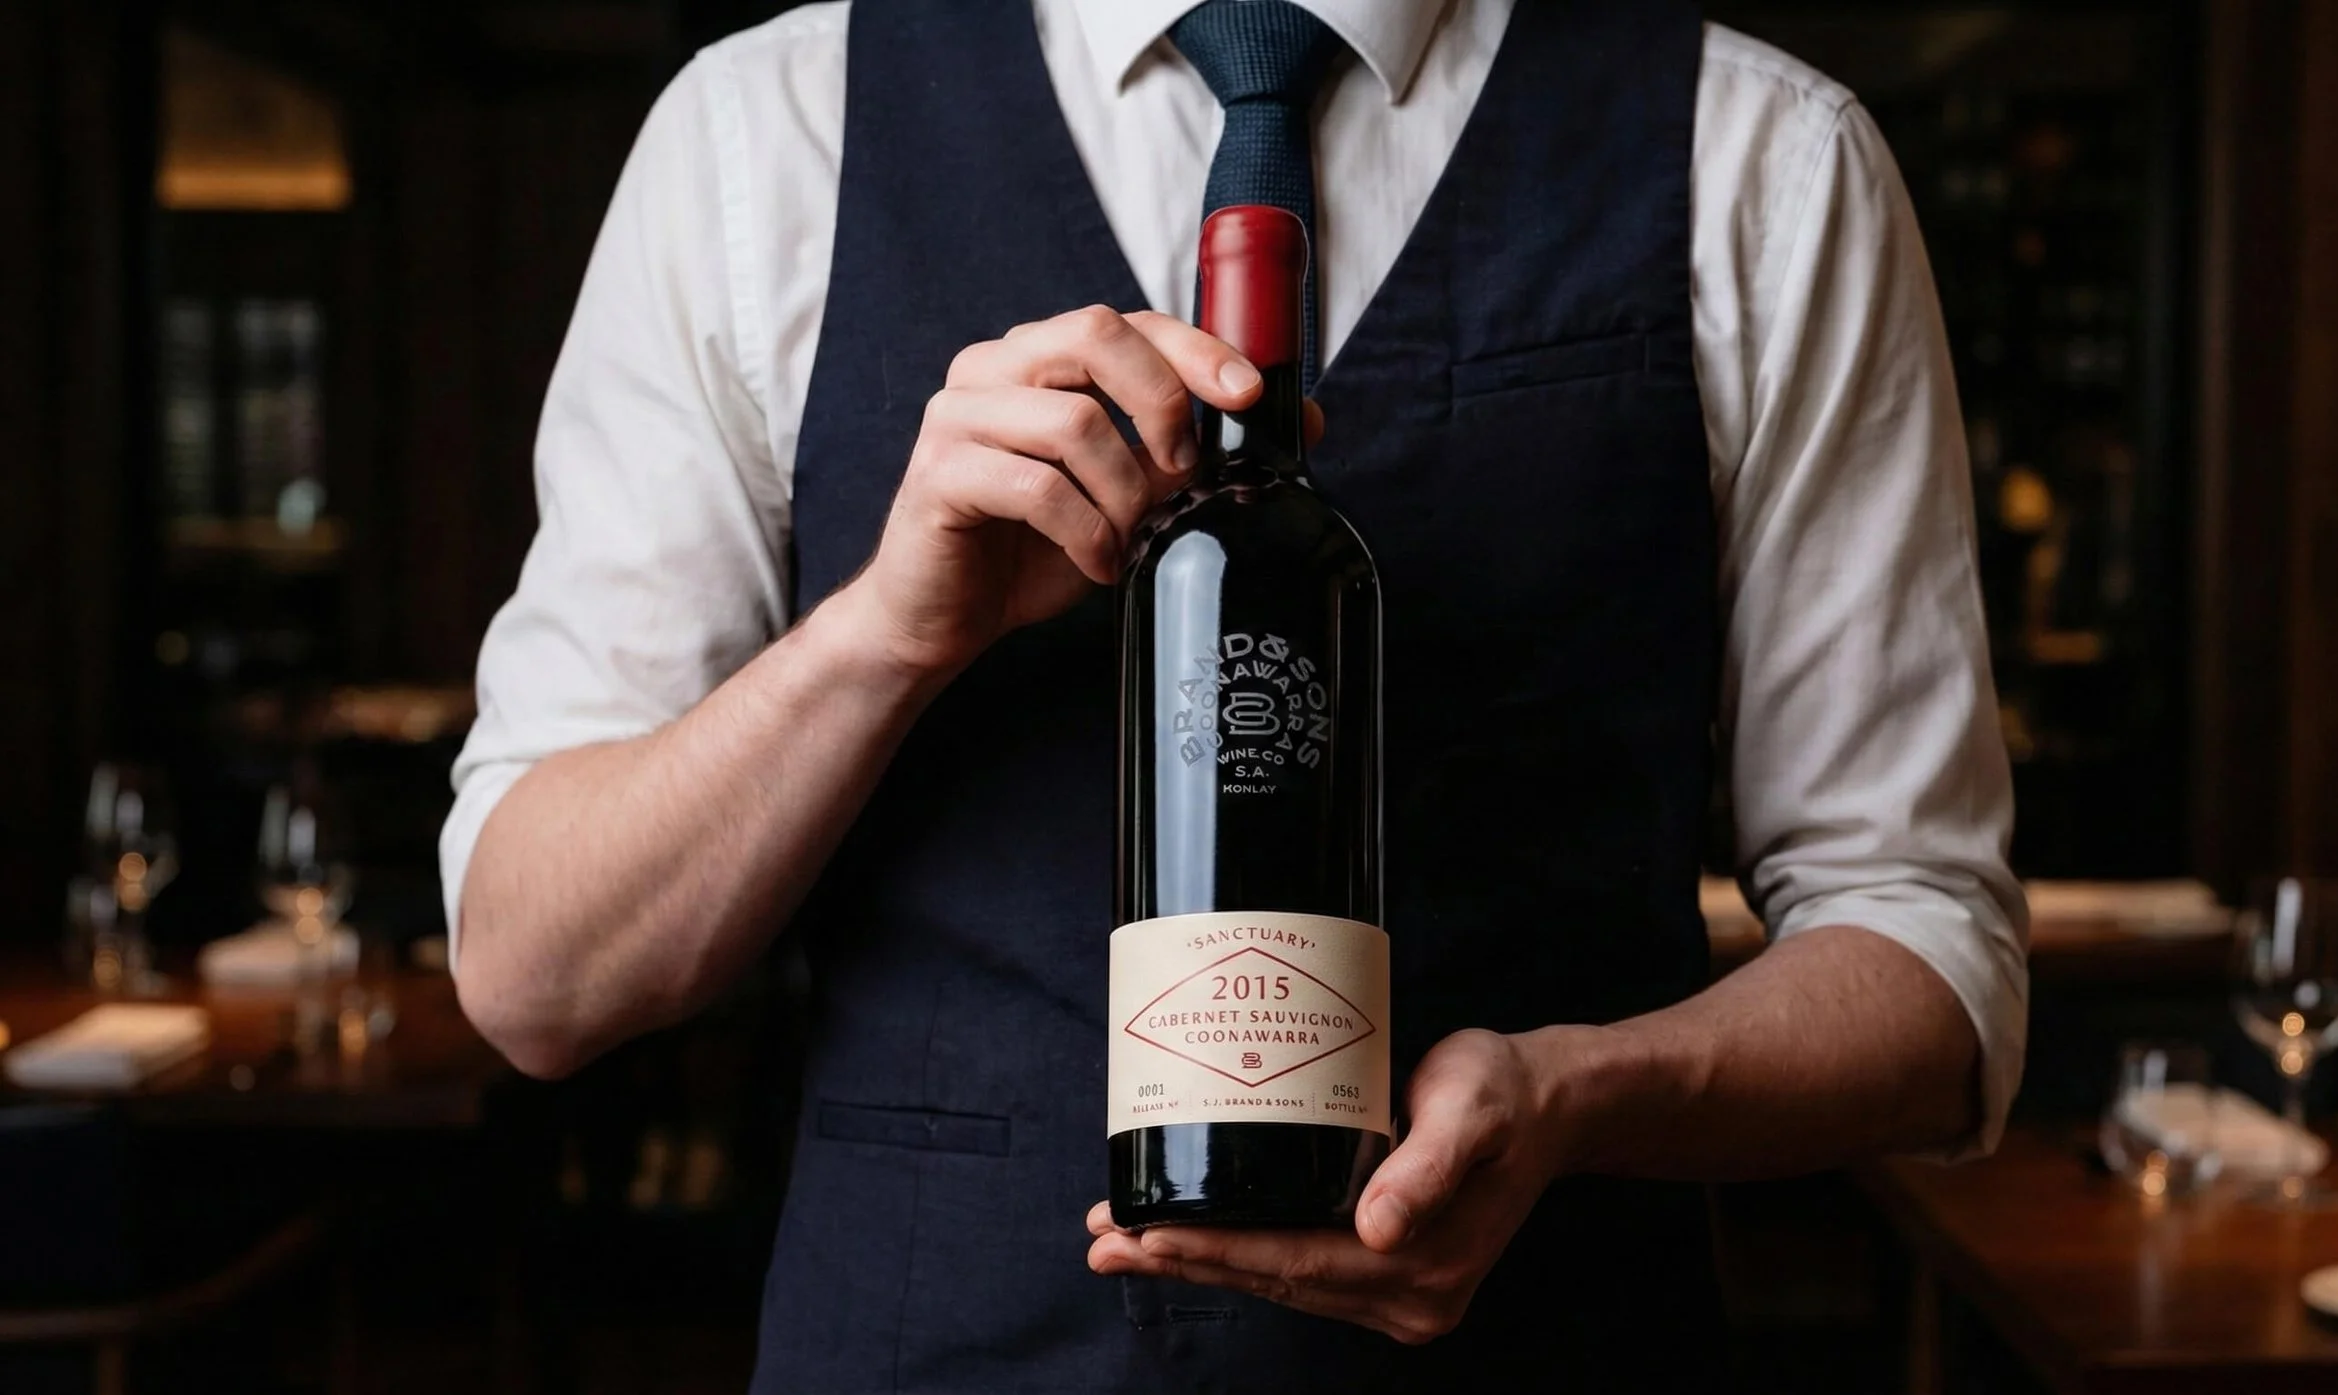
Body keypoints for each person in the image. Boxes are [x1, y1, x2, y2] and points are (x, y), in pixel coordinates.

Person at [441, 0, 2027, 1389]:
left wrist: (1580, 1094)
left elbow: (1931, 964)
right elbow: (535, 972)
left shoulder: (1769, 159)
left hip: (1556, 1348)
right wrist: (880, 638)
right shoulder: (754, 140)